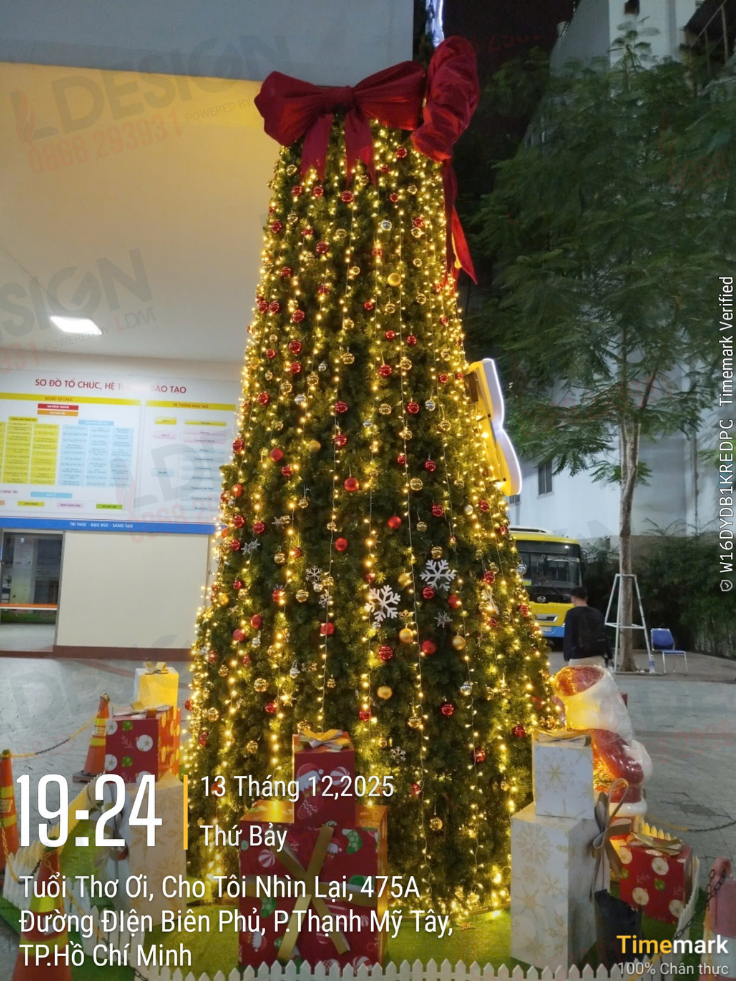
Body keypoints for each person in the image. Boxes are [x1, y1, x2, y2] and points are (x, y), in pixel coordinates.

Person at [563, 586, 612, 665]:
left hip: (578, 656)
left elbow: (569, 636)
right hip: (597, 656)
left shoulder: (571, 613)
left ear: (573, 598)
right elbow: (604, 634)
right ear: (586, 598)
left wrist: (566, 657)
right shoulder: (597, 613)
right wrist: (609, 655)